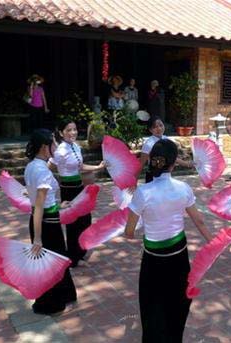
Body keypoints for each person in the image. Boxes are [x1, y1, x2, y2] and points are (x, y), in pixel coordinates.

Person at [124, 138, 213, 343]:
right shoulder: (183, 188)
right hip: (179, 254)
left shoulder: (142, 193)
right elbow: (199, 221)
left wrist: (138, 230)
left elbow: (129, 231)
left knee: (152, 303)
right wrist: (213, 242)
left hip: (153, 256)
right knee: (178, 300)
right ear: (173, 164)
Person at [24, 129, 77, 315]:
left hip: (43, 219)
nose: (56, 146)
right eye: (53, 143)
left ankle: (62, 296)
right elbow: (39, 206)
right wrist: (38, 238)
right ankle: (51, 303)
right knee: (51, 264)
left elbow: (40, 202)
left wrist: (59, 205)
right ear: (45, 147)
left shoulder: (32, 166)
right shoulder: (41, 171)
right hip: (46, 224)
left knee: (54, 261)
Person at [49, 119, 106, 268]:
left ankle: (80, 251)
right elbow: (49, 167)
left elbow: (80, 167)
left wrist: (97, 167)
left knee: (85, 220)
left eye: (74, 129)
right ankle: (73, 258)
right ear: (62, 133)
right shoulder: (60, 151)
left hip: (79, 186)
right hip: (68, 189)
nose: (73, 133)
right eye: (69, 130)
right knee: (73, 224)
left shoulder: (76, 146)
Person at [139, 116, 194, 183]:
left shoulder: (166, 139)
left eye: (160, 125)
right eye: (155, 127)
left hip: (166, 174)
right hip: (153, 175)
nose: (159, 128)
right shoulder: (148, 144)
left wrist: (187, 164)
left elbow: (173, 157)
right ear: (150, 130)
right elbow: (141, 164)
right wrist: (134, 180)